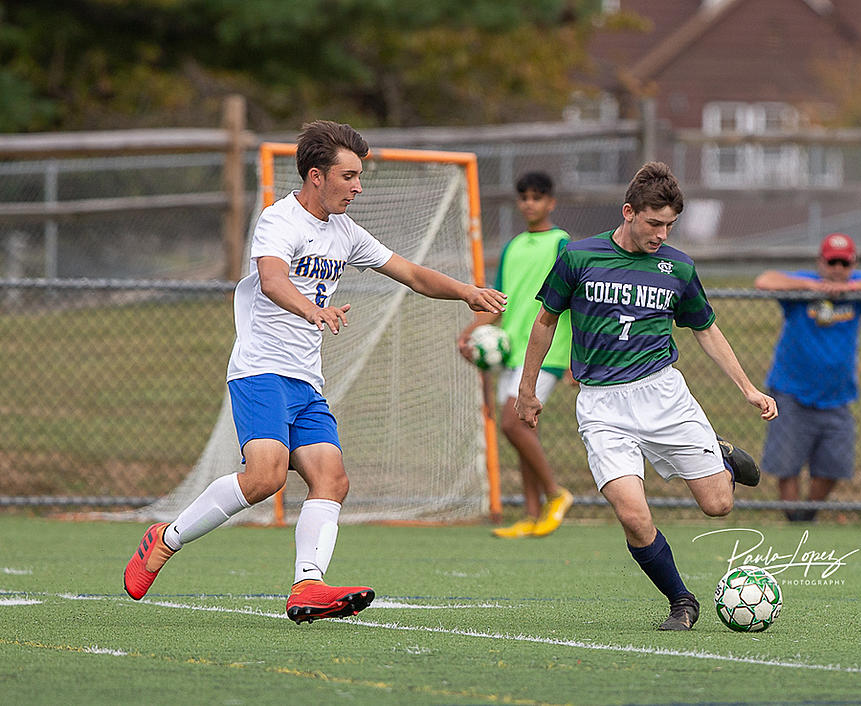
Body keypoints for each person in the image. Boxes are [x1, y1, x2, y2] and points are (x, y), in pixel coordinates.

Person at [124, 120, 507, 623]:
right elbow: (272, 279)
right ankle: (165, 539)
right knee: (264, 478)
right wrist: (313, 310)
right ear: (315, 176)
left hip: (306, 381)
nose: (358, 186)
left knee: (332, 479)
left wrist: (466, 292)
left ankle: (308, 585)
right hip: (260, 372)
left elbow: (410, 273)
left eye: (359, 176)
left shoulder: (345, 232)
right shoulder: (279, 221)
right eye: (348, 176)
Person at [515, 161, 777, 631]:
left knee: (718, 504)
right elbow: (545, 321)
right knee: (633, 516)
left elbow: (707, 331)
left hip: (663, 396)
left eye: (669, 225)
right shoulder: (579, 257)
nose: (661, 234)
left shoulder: (677, 267)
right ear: (629, 211)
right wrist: (527, 390)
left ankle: (717, 453)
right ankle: (681, 601)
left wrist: (749, 390)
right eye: (654, 223)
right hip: (601, 405)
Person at [754, 233, 861, 522]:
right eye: (831, 262)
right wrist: (812, 287)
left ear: (853, 264)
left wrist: (851, 287)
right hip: (792, 391)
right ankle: (793, 521)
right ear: (820, 262)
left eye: (844, 263)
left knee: (833, 467)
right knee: (787, 466)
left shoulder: (856, 287)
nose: (837, 268)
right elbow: (765, 280)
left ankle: (807, 515)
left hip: (837, 397)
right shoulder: (804, 283)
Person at [458, 172, 574, 539]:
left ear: (551, 203)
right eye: (523, 197)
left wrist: (578, 357)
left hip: (549, 352)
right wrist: (471, 333)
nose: (529, 204)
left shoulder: (563, 244)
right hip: (512, 352)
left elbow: (578, 301)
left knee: (512, 423)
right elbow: (500, 302)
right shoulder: (512, 247)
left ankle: (557, 494)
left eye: (537, 197)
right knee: (520, 428)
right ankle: (531, 513)